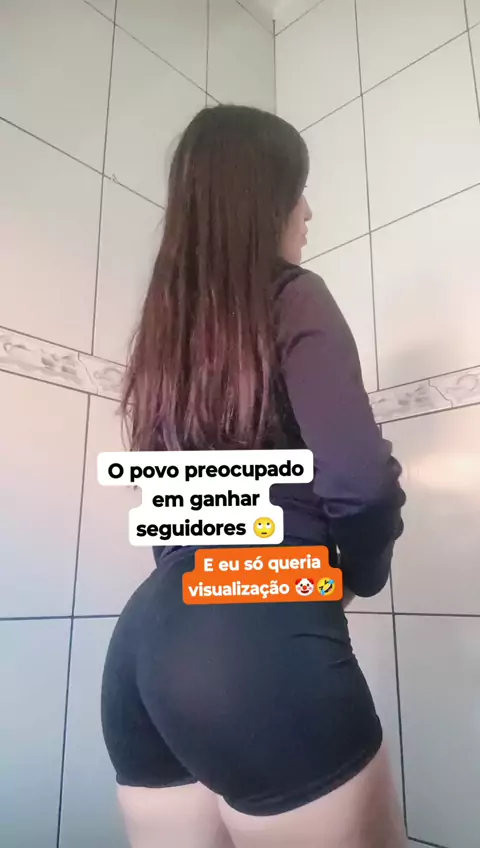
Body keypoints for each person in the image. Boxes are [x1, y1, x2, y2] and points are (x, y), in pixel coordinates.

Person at [101, 104, 407, 848]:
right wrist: (357, 577)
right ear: (267, 199)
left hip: (144, 642)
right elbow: (362, 483)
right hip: (254, 632)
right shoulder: (294, 293)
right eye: (299, 191)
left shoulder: (166, 337)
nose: (309, 211)